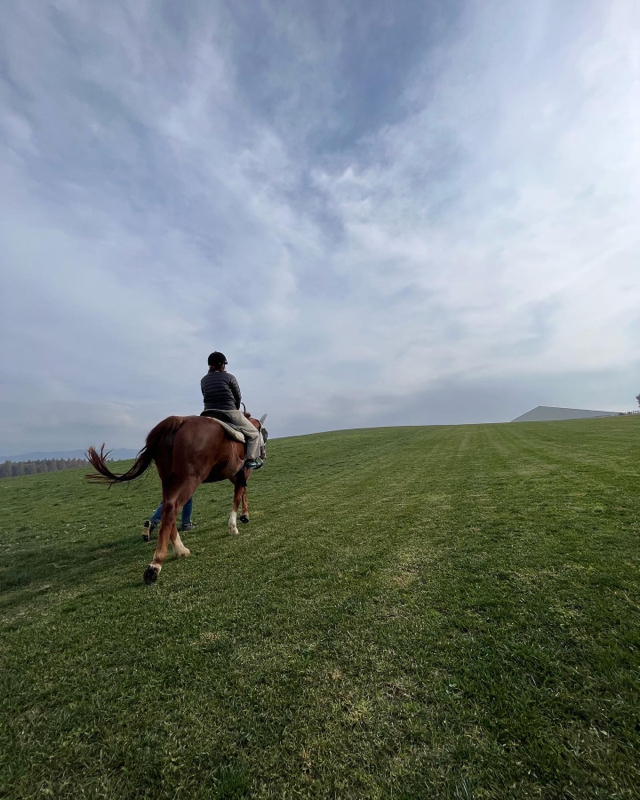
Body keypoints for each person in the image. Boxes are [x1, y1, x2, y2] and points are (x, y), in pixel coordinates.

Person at [201, 351, 263, 470]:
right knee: (254, 434)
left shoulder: (204, 380)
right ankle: (251, 460)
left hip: (207, 413)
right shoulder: (229, 377)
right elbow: (238, 397)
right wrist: (236, 407)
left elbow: (205, 394)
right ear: (222, 365)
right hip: (228, 411)